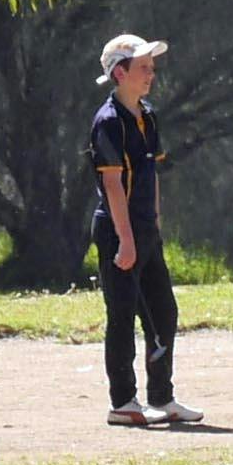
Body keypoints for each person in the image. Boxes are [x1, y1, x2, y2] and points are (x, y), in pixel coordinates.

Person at [88, 33, 198, 428]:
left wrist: (154, 224)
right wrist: (127, 240)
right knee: (121, 315)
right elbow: (113, 186)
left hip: (145, 230)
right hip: (119, 230)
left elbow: (151, 174)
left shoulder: (147, 116)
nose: (151, 74)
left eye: (152, 67)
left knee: (163, 312)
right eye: (143, 68)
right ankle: (123, 402)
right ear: (120, 72)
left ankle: (162, 398)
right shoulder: (109, 123)